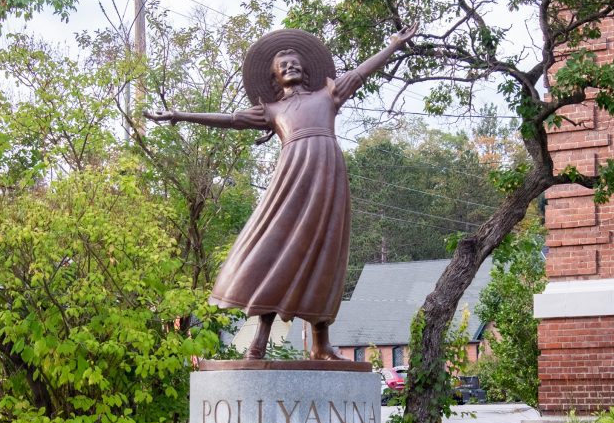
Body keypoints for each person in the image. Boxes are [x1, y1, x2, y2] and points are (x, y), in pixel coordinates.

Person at [146, 24, 417, 360]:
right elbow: (230, 119)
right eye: (283, 65)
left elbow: (361, 72)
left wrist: (392, 45)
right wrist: (180, 115)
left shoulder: (327, 95)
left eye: (295, 63)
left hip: (329, 177)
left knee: (326, 253)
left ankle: (321, 344)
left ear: (306, 70)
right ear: (274, 77)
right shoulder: (271, 111)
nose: (291, 67)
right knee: (276, 250)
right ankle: (258, 342)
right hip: (293, 178)